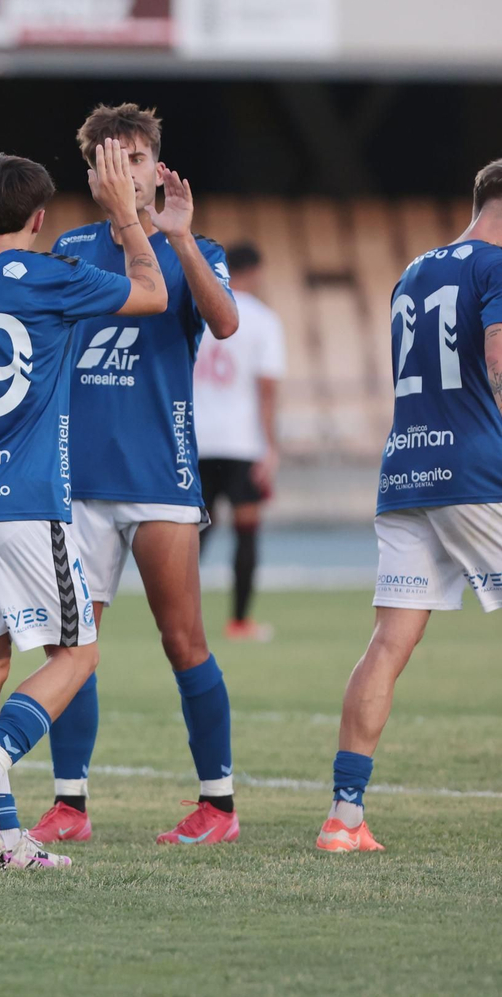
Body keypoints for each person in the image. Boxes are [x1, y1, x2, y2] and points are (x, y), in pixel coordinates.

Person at [0, 146, 166, 868]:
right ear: (40, 217)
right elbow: (151, 293)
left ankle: (2, 837)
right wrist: (124, 214)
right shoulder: (55, 276)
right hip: (23, 497)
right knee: (77, 651)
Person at [30, 104, 242, 849]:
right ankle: (70, 804)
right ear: (92, 176)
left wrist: (177, 236)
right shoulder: (70, 248)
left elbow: (223, 324)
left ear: (158, 169)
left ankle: (218, 804)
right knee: (71, 644)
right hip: (77, 477)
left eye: (136, 158)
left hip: (159, 475)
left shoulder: (196, 247)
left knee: (183, 639)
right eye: (108, 161)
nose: (123, 172)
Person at [317, 161, 502, 852]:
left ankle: (344, 816)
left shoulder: (414, 271)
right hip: (477, 470)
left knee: (389, 643)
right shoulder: (496, 266)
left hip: (407, 469)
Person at [193, 242, 286, 642]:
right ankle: (239, 622)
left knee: (195, 535)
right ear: (256, 270)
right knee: (246, 531)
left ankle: (180, 621)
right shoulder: (263, 319)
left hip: (196, 439)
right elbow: (267, 390)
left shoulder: (200, 309)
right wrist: (270, 446)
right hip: (241, 442)